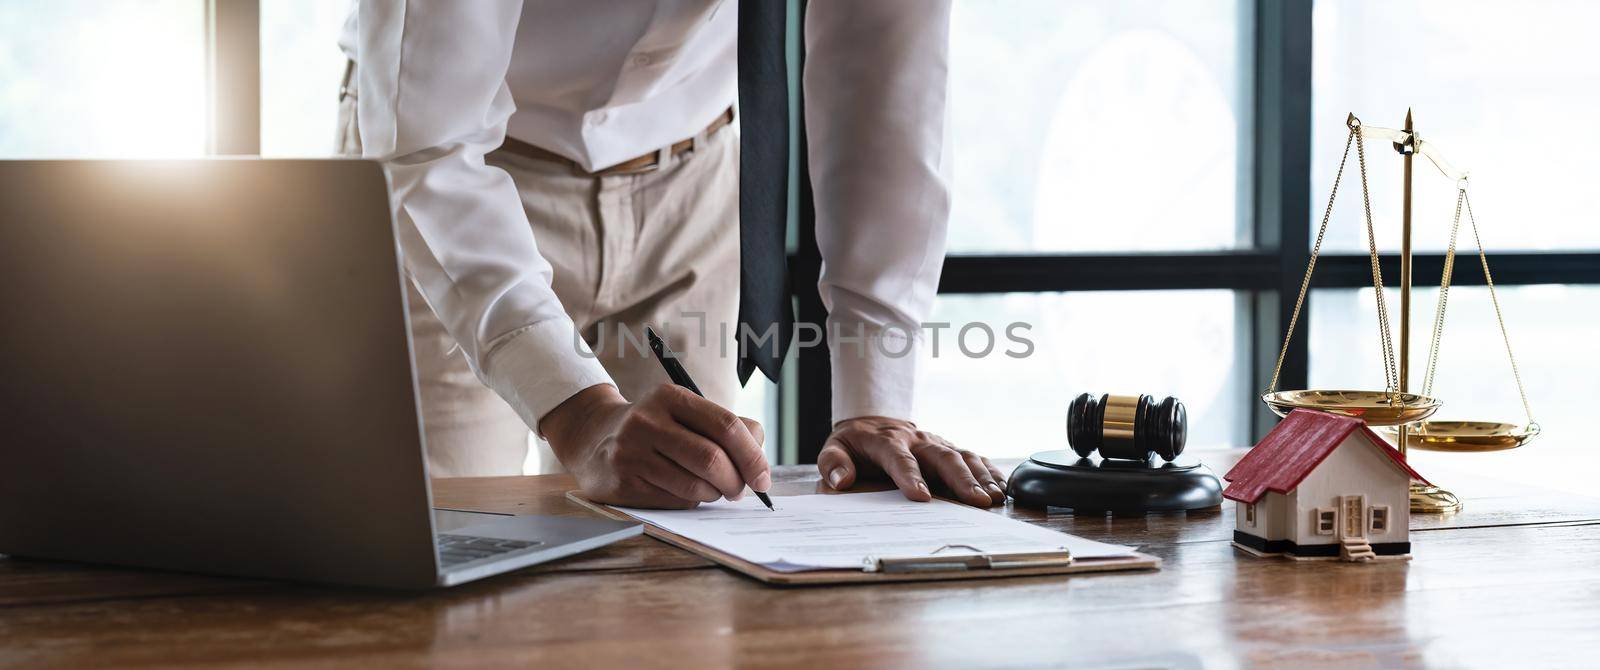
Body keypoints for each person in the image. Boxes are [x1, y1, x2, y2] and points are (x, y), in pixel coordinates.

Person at [342, 0, 1008, 509]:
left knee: (685, 554)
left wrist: (874, 402)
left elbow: (883, 61)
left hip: (695, 178)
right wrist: (577, 413)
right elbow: (428, 143)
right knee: (440, 545)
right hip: (457, 183)